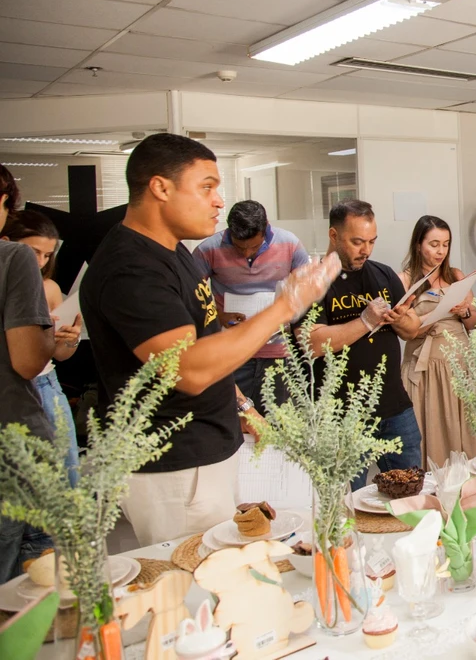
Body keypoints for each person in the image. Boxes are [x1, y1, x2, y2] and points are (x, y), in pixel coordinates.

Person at [81, 134, 340, 545]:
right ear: (160, 188)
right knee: (195, 591)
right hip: (176, 467)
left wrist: (242, 405)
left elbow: (205, 340)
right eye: (207, 187)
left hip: (206, 455)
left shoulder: (174, 253)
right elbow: (190, 369)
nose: (219, 201)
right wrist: (286, 303)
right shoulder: (131, 267)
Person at [307, 199, 423, 488]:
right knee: (347, 501)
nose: (366, 250)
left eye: (372, 241)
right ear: (334, 235)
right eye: (357, 241)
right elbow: (314, 343)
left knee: (411, 492)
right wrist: (365, 322)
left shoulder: (383, 274)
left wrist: (400, 318)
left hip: (395, 407)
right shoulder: (313, 282)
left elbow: (411, 331)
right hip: (342, 416)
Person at [193, 200, 310, 409]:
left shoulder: (290, 244)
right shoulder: (208, 249)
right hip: (231, 353)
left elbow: (307, 293)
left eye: (253, 247)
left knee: (279, 424)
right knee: (235, 420)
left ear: (265, 230)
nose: (246, 253)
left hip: (278, 354)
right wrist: (218, 314)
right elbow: (191, 298)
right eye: (239, 247)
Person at [0, 166, 56, 582]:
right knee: (24, 580)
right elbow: (27, 361)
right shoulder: (11, 259)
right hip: (12, 444)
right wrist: (51, 338)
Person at [1, 211, 82, 485]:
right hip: (12, 389)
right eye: (33, 252)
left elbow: (60, 355)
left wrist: (68, 339)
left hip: (47, 384)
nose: (39, 262)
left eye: (47, 255)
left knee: (67, 471)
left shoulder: (49, 288)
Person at [394, 215, 476, 467]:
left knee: (462, 427)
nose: (440, 250)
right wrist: (440, 311)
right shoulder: (405, 280)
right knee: (429, 429)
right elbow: (404, 331)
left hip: (459, 362)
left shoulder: (455, 275)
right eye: (434, 244)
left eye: (446, 244)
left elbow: (472, 323)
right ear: (419, 244)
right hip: (426, 365)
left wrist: (464, 310)